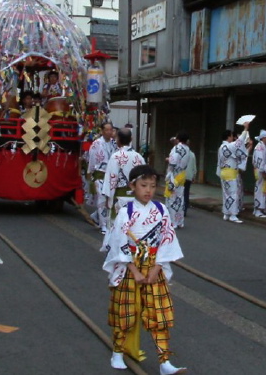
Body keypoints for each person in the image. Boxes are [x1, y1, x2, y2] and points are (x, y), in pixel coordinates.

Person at [101, 165, 186, 374]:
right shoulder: (125, 212)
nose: (148, 190)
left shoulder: (161, 210)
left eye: (152, 186)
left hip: (154, 264)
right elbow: (119, 241)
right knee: (126, 311)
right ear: (132, 186)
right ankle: (118, 352)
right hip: (130, 265)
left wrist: (157, 267)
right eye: (143, 185)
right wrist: (134, 269)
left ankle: (164, 361)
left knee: (159, 312)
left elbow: (167, 239)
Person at [102, 128, 145, 224]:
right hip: (136, 198)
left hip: (119, 198)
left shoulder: (116, 157)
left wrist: (108, 199)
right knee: (133, 226)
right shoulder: (139, 157)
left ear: (118, 140)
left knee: (117, 227)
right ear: (131, 139)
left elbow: (111, 180)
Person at [217, 121, 250, 224]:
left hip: (223, 172)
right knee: (233, 194)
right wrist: (245, 130)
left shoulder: (221, 147)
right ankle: (233, 215)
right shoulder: (230, 146)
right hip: (231, 173)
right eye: (231, 136)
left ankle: (226, 213)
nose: (233, 137)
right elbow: (239, 142)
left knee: (226, 194)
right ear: (228, 137)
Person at [88, 122, 116, 233]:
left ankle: (96, 216)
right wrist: (91, 172)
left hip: (111, 176)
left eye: (111, 130)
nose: (109, 132)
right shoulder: (96, 144)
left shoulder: (114, 144)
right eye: (107, 130)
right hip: (100, 174)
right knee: (102, 199)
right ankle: (103, 224)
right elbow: (92, 159)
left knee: (110, 200)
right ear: (102, 131)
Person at [165, 132, 191, 228]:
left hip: (174, 175)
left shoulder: (176, 148)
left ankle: (173, 222)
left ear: (178, 139)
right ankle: (180, 221)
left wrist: (168, 160)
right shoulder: (187, 149)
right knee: (180, 198)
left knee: (172, 199)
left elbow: (173, 161)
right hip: (182, 175)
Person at [252, 129, 266, 218]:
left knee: (261, 189)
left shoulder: (262, 146)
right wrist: (264, 172)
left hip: (259, 170)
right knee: (261, 189)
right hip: (260, 171)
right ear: (264, 138)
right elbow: (260, 162)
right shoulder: (260, 147)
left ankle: (259, 208)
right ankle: (258, 210)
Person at [184, 141, 197, 217]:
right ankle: (185, 209)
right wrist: (194, 176)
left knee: (180, 194)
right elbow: (194, 167)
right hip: (189, 176)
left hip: (180, 176)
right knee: (186, 193)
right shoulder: (192, 154)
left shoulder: (180, 153)